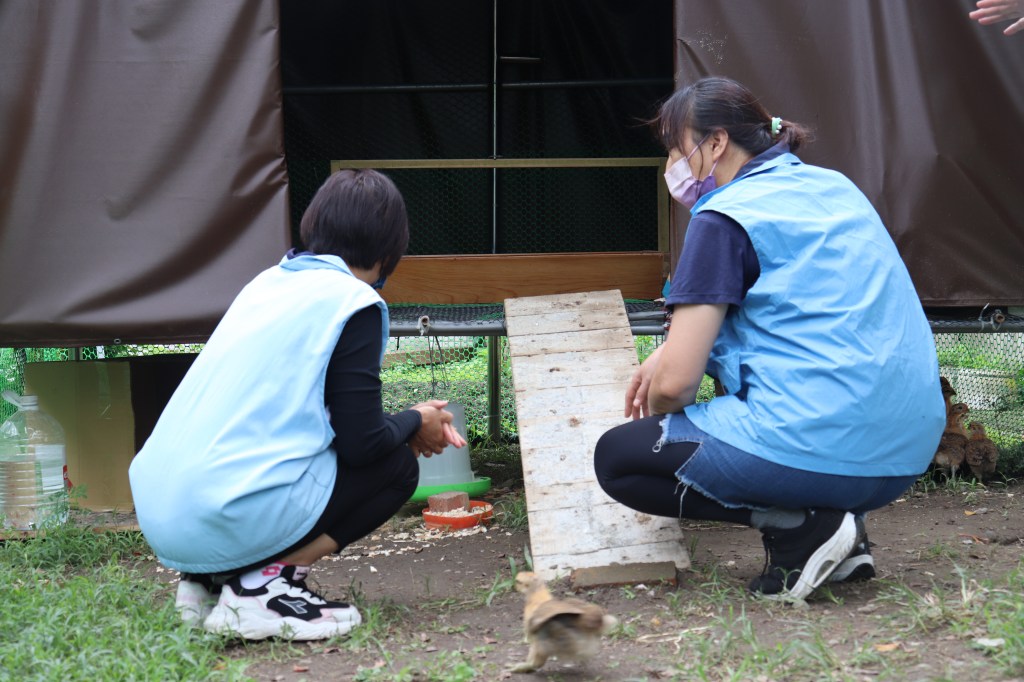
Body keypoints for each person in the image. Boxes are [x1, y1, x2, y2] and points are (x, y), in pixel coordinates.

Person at [593, 77, 945, 601]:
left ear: (714, 144)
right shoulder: (835, 187)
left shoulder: (722, 217)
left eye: (676, 149)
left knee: (618, 458)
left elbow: (675, 388)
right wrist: (671, 351)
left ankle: (798, 526)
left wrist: (666, 375)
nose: (672, 167)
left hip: (818, 448)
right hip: (904, 455)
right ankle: (843, 533)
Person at [129, 169, 466, 640]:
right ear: (391, 251)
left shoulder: (266, 284)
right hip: (221, 512)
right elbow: (363, 444)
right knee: (395, 466)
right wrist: (417, 421)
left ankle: (204, 585)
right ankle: (262, 591)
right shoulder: (353, 302)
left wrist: (409, 421)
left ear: (314, 227)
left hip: (164, 510)